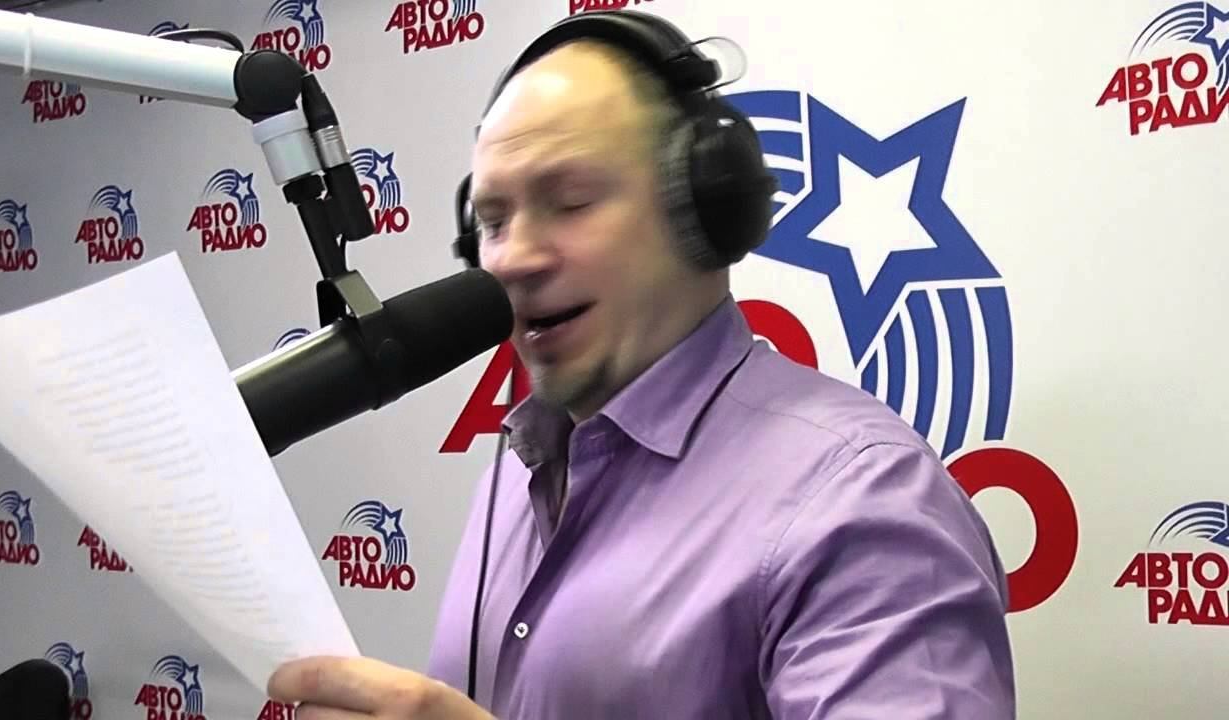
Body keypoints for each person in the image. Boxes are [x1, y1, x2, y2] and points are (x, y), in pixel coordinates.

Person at [266, 11, 1016, 719]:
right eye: (492, 222)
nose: (515, 259)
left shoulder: (858, 497)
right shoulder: (514, 479)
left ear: (704, 210)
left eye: (571, 201)